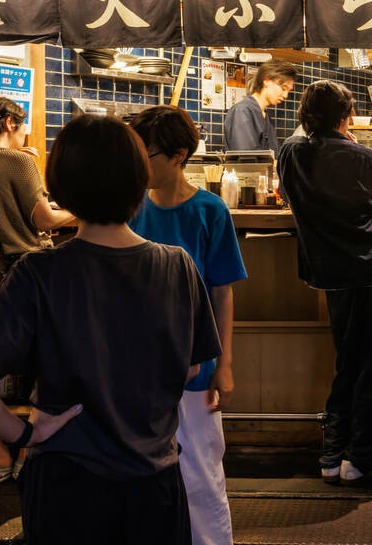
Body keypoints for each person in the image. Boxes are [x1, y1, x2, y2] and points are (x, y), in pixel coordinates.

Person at [0, 114, 221, 545]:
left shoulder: (38, 271)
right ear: (138, 181)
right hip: (156, 481)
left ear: (62, 187)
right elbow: (191, 369)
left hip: (65, 480)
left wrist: (26, 433)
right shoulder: (177, 266)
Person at [277, 81, 372, 484]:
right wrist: (351, 144)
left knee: (348, 364)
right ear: (345, 114)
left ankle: (332, 456)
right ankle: (361, 460)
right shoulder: (364, 156)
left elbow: (288, 196)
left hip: (332, 276)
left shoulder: (289, 152)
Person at [128, 106, 247, 545]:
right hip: (137, 365)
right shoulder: (130, 207)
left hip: (195, 361)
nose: (139, 165)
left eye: (147, 154)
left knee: (199, 468)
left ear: (179, 155)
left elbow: (222, 292)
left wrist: (225, 364)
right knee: (141, 472)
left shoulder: (209, 210)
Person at [0, 96, 74, 483]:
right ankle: (29, 449)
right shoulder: (20, 161)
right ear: (8, 123)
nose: (25, 134)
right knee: (38, 364)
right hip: (17, 275)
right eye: (22, 126)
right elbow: (46, 220)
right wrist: (84, 210)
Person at [224, 62, 297, 152]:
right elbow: (247, 158)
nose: (285, 95)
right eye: (283, 88)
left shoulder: (265, 116)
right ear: (266, 81)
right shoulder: (242, 111)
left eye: (288, 91)